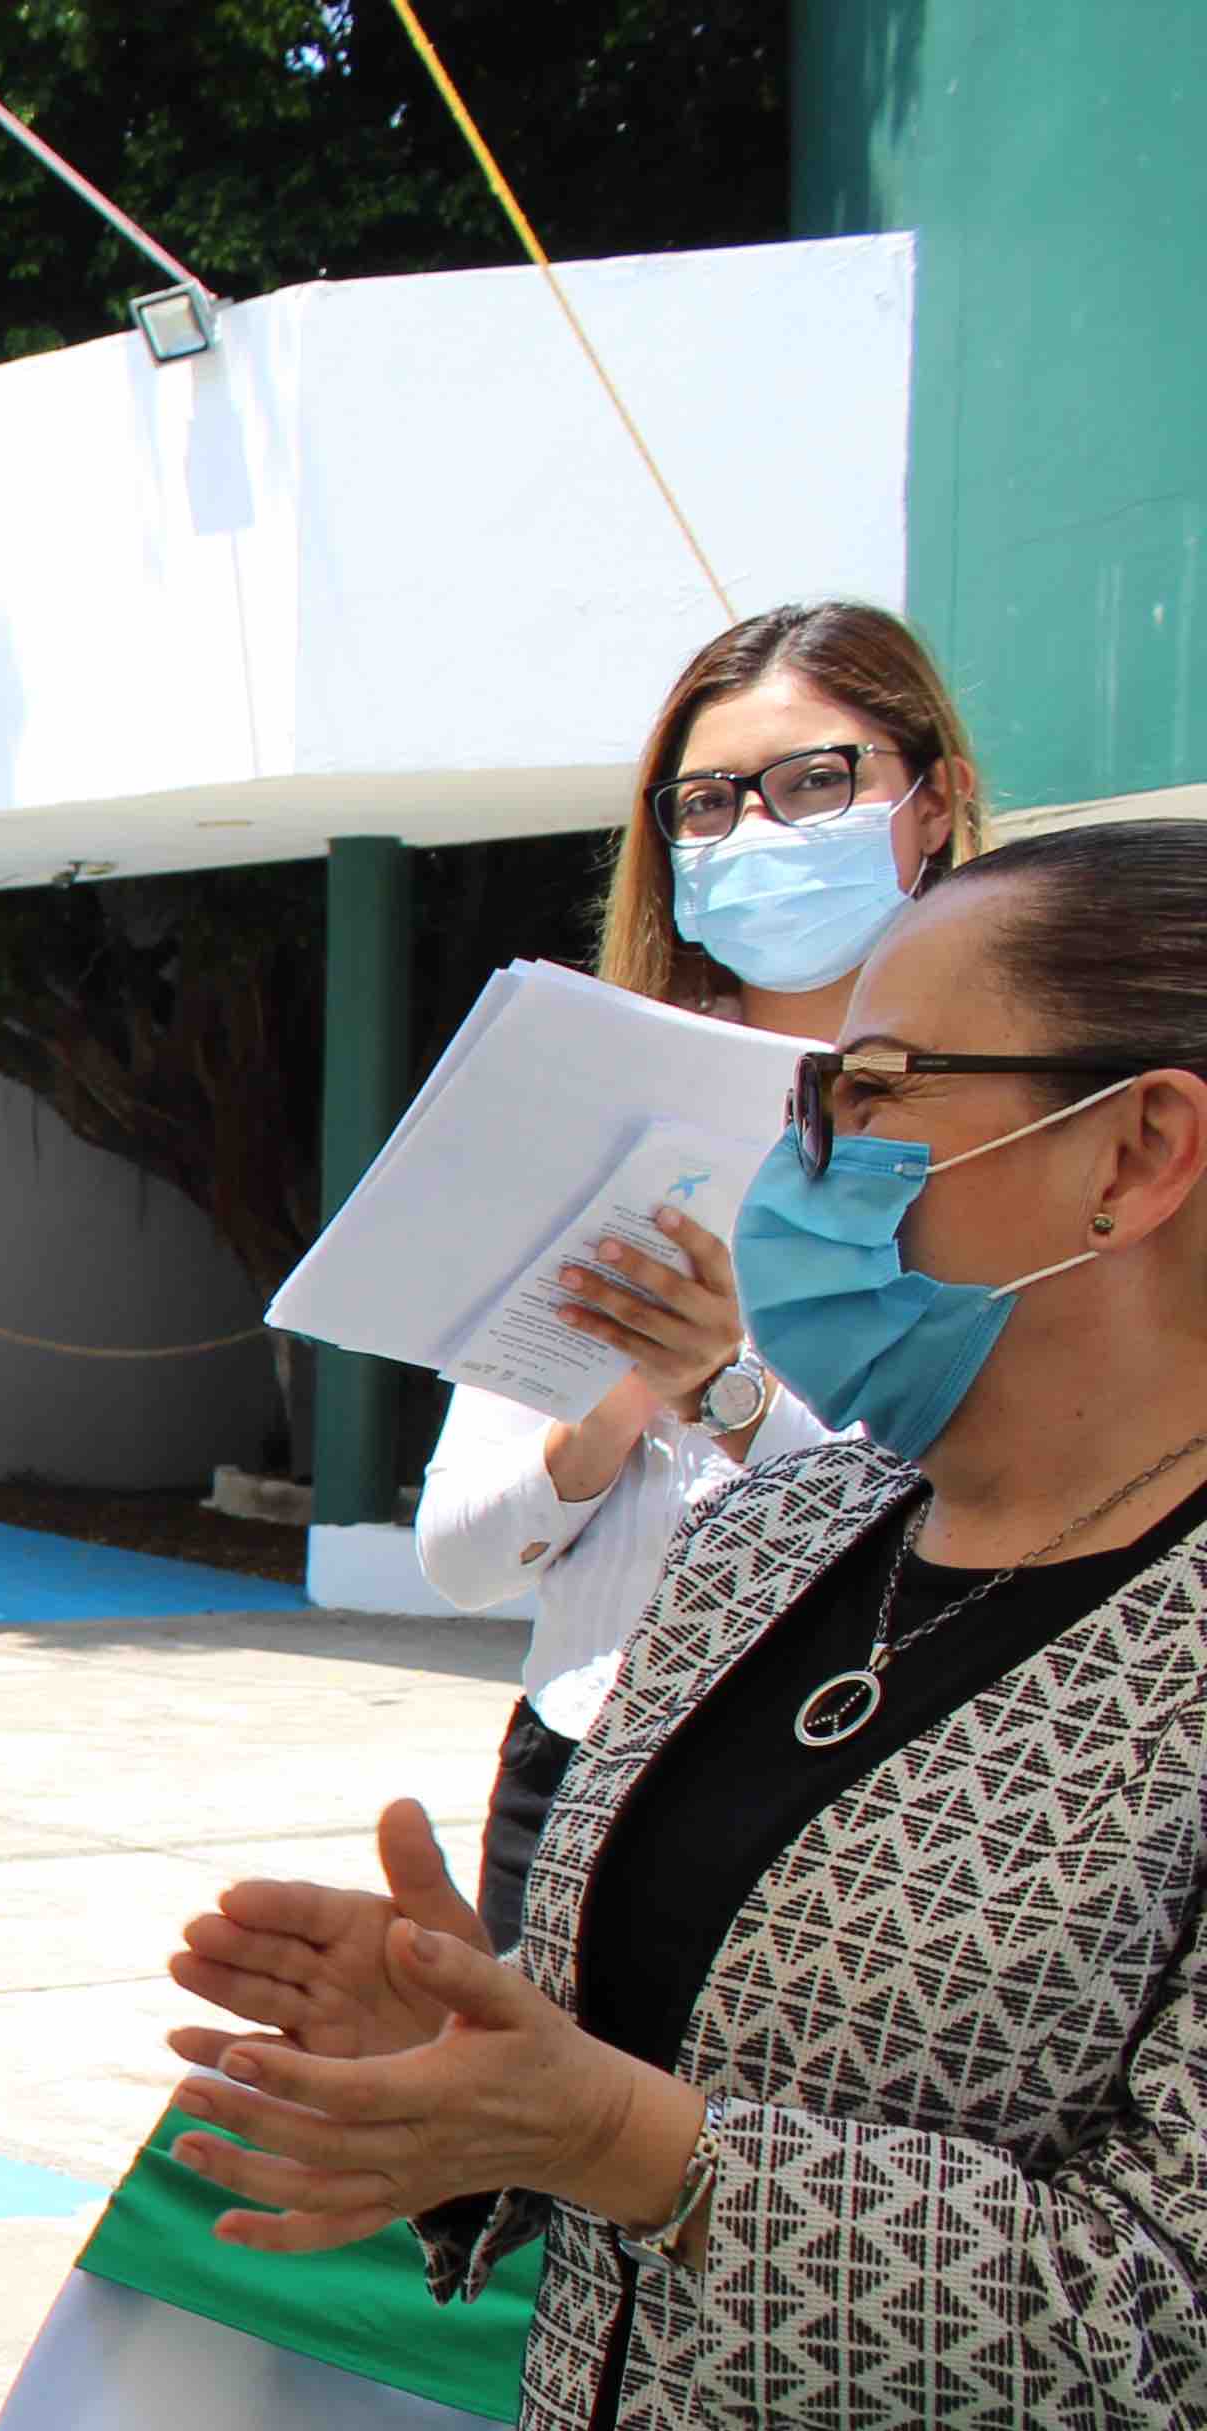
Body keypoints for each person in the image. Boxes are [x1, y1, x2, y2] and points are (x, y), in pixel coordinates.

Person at [163, 820, 1207, 2431]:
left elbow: (1172, 2312)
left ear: (1135, 1149)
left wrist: (626, 2140)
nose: (795, 1160)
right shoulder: (780, 1541)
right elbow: (618, 2072)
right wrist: (455, 2081)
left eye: (869, 1096)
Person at [415, 603, 989, 1944]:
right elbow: (461, 1557)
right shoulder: (591, 1108)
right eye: (709, 805)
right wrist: (614, 1398)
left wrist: (727, 1390)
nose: (757, 833)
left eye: (814, 783)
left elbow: (984, 1521)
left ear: (936, 800)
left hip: (874, 1789)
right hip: (576, 1765)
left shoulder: (1013, 1124)